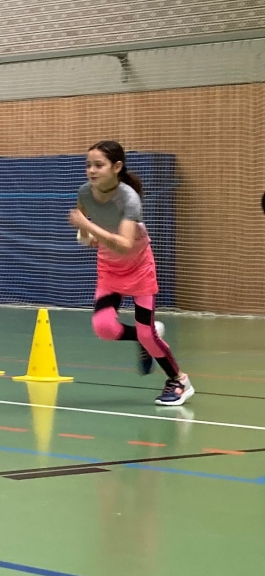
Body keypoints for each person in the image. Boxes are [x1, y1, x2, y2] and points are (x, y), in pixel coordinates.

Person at [68, 140, 193, 406]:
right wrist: (85, 234)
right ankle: (147, 337)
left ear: (117, 167)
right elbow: (84, 224)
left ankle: (179, 381)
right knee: (104, 328)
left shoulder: (129, 199)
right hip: (109, 269)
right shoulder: (85, 192)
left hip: (139, 269)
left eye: (98, 165)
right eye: (88, 165)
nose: (91, 170)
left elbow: (125, 245)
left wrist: (89, 227)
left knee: (148, 334)